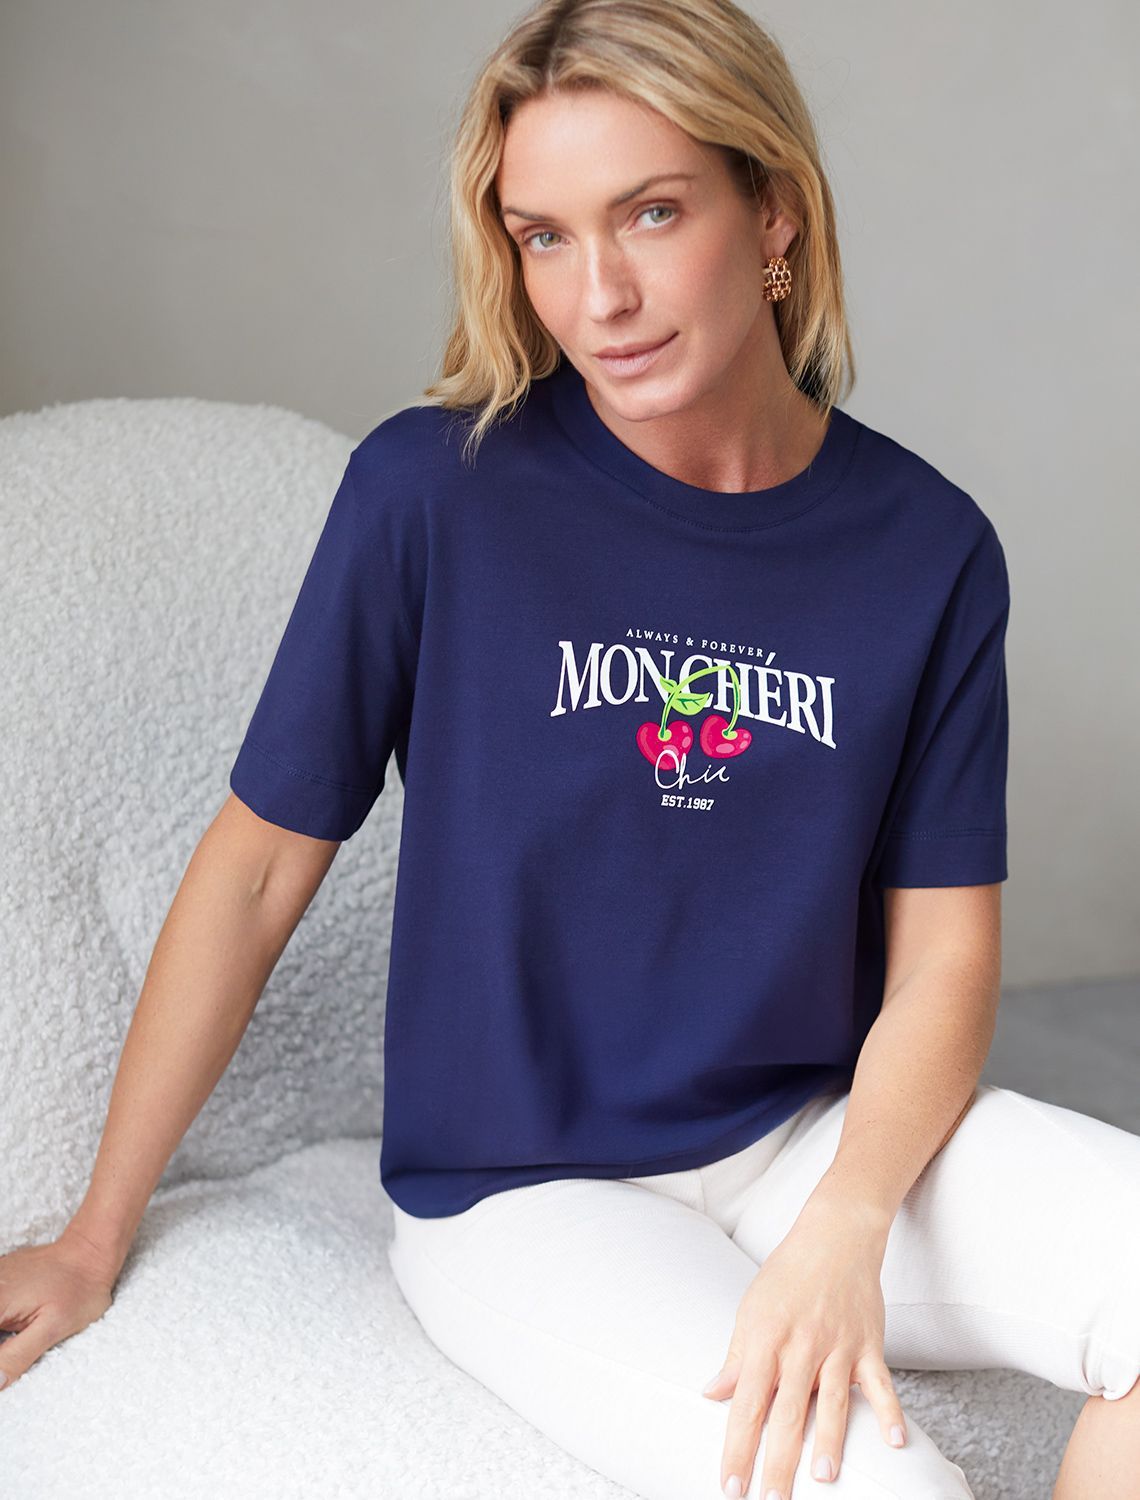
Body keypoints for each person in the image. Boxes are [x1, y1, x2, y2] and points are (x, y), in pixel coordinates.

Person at [1, 1, 1136, 1497]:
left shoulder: (926, 549)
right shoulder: (435, 492)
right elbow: (260, 867)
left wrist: (851, 1219)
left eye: (652, 213)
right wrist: (94, 1235)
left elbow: (943, 961)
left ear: (773, 213)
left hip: (806, 1135)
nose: (599, 296)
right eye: (544, 236)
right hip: (525, 1194)